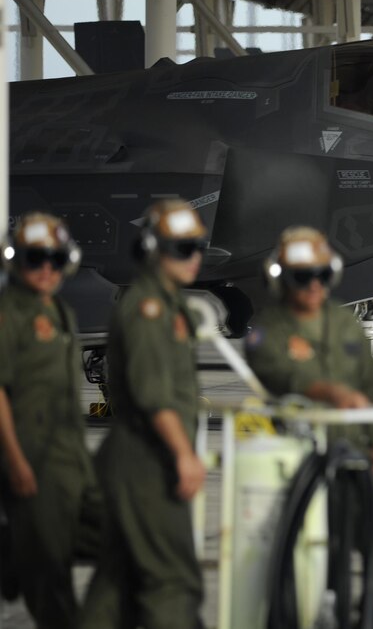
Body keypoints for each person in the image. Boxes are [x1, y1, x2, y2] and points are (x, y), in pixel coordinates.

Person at [245, 226, 373, 625]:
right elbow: (279, 373)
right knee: (310, 570)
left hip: (355, 461)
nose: (314, 285)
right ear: (280, 278)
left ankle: (367, 620)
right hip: (297, 467)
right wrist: (329, 391)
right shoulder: (267, 330)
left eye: (321, 275)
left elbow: (371, 386)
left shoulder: (344, 324)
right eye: (302, 276)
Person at [81, 200, 210, 629]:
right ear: (154, 250)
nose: (194, 257)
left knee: (116, 584)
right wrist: (184, 455)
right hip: (147, 464)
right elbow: (153, 395)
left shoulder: (166, 305)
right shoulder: (149, 309)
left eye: (197, 247)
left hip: (137, 461)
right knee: (172, 583)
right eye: (182, 248)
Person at [0, 213, 101, 628]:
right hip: (32, 460)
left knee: (116, 538)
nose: (46, 269)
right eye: (35, 259)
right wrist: (16, 463)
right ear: (15, 261)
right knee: (51, 581)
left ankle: (11, 552)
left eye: (55, 260)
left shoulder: (59, 311)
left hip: (70, 461)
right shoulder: (9, 315)